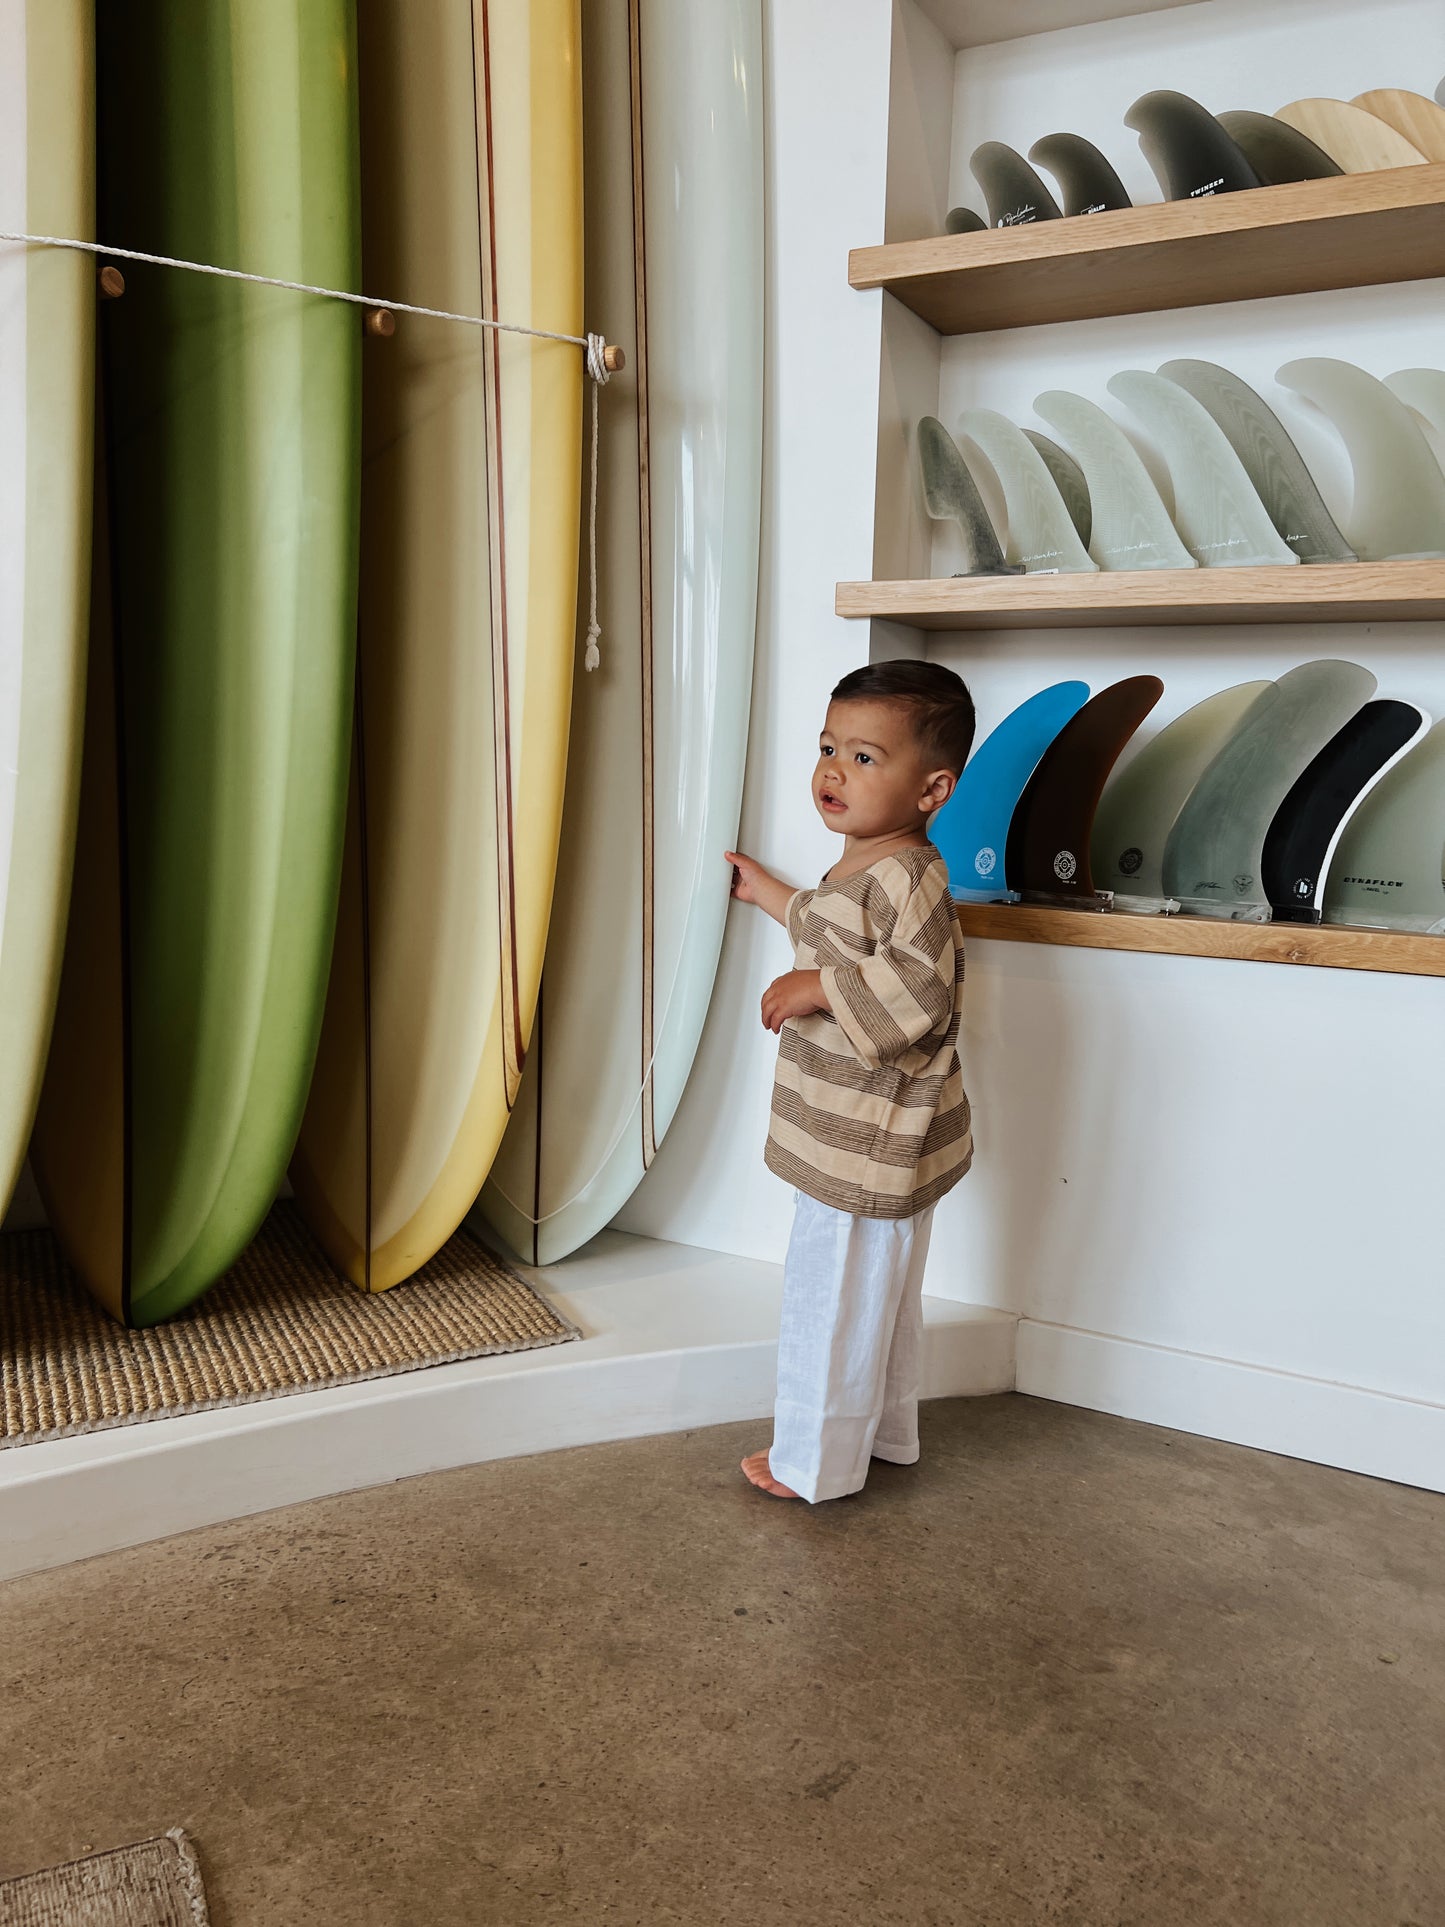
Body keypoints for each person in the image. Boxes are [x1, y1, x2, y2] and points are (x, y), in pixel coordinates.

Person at [724, 659, 975, 1503]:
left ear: (931, 788)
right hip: (875, 1144)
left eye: (865, 757)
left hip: (867, 1144)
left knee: (830, 1305)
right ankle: (886, 1435)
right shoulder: (873, 867)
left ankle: (814, 1461)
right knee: (877, 1302)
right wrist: (768, 893)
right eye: (829, 746)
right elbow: (832, 923)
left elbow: (919, 990)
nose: (833, 770)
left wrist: (818, 989)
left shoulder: (910, 881)